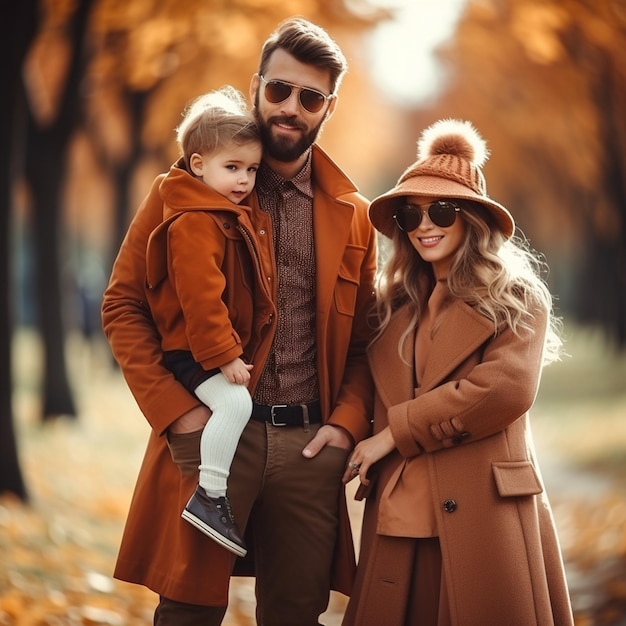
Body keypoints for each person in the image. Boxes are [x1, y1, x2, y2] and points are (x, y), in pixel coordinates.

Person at [102, 16, 377, 626]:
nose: (290, 108)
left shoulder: (355, 216)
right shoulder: (185, 190)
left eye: (310, 97)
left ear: (328, 108)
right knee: (188, 610)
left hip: (312, 446)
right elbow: (122, 306)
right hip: (216, 437)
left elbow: (363, 342)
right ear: (256, 86)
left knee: (296, 613)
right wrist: (178, 415)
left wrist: (346, 427)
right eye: (279, 90)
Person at [342, 119, 574, 626]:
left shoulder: (516, 299)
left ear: (472, 218)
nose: (425, 225)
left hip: (482, 515)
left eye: (442, 211)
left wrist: (394, 434)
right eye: (410, 214)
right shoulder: (391, 307)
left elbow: (504, 390)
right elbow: (357, 376)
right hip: (401, 513)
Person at [146, 85, 263, 558]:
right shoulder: (195, 220)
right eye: (231, 167)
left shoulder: (218, 214)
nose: (243, 180)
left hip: (195, 347)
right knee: (235, 406)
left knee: (234, 406)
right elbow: (201, 297)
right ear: (198, 165)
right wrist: (226, 357)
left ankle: (211, 497)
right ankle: (210, 497)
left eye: (251, 169)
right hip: (190, 351)